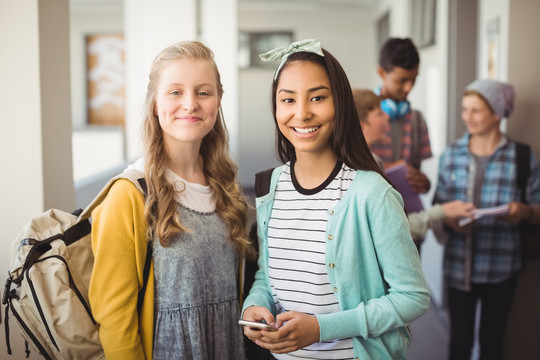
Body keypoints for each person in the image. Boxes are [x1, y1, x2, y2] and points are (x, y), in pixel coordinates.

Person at [241, 38, 430, 360]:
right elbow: (266, 274)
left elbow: (412, 296)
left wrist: (321, 328)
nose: (301, 113)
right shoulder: (269, 187)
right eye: (287, 100)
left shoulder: (371, 193)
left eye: (317, 97)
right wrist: (254, 304)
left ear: (340, 103)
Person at [89, 41, 252, 360]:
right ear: (154, 103)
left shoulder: (227, 189)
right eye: (175, 92)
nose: (190, 104)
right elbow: (114, 318)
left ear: (218, 101)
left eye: (203, 92)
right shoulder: (130, 194)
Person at [433, 79, 540, 360]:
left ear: (496, 114)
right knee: (459, 344)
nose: (467, 117)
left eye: (476, 110)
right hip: (459, 267)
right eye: (464, 109)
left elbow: (538, 206)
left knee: (492, 344)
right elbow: (438, 208)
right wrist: (448, 220)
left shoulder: (522, 157)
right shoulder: (451, 155)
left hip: (502, 267)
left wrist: (524, 212)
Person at [353, 88, 475, 242]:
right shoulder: (369, 164)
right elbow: (390, 229)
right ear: (362, 125)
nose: (387, 117)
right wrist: (441, 212)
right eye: (379, 113)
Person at [371, 37, 432, 195]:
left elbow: (422, 171)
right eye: (402, 80)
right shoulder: (362, 113)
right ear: (382, 73)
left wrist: (424, 183)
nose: (408, 87)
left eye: (414, 79)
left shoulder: (418, 120)